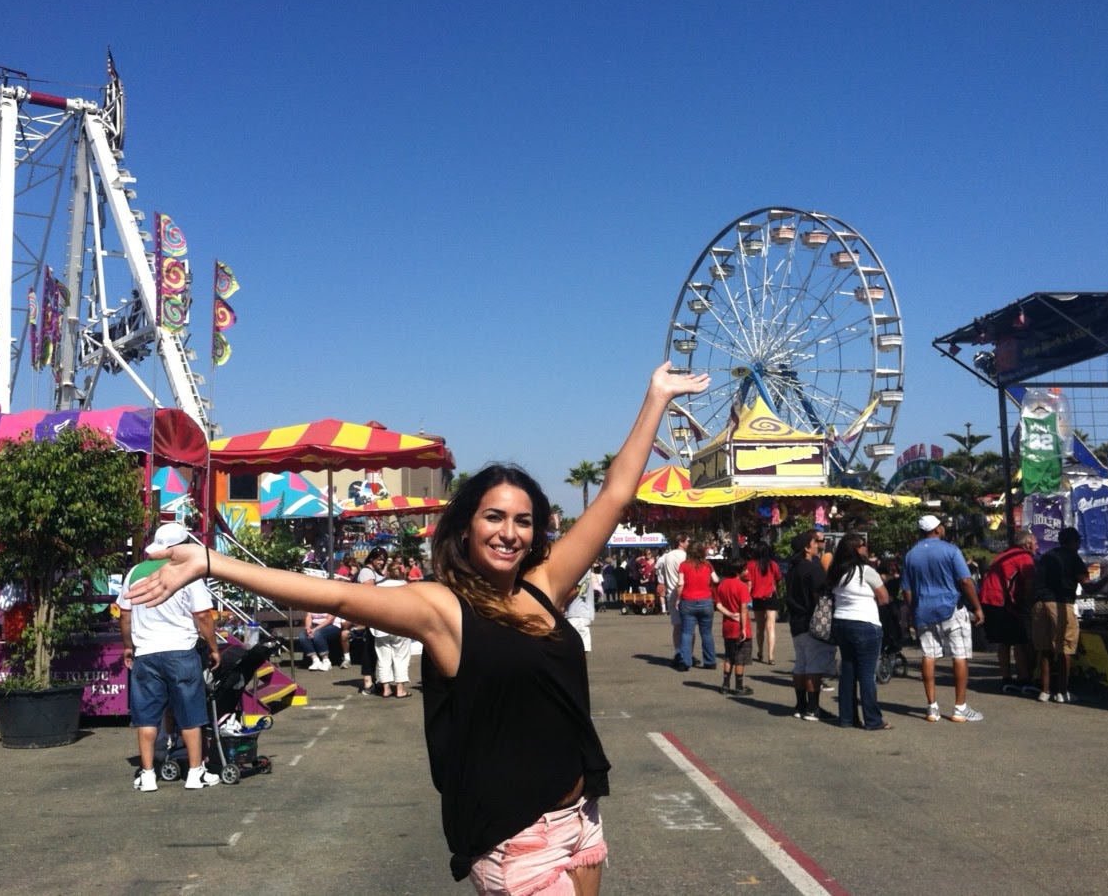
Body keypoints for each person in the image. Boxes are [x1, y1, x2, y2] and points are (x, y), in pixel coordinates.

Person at [127, 362, 709, 895]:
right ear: (465, 528)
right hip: (517, 834)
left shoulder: (545, 586)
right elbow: (334, 594)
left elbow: (615, 492)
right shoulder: (443, 608)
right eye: (494, 517)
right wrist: (210, 562)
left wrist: (655, 396)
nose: (510, 532)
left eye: (524, 521)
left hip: (581, 820)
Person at [116, 522, 221, 792]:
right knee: (190, 714)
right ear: (180, 547)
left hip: (146, 653)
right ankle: (196, 772)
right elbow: (203, 616)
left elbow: (125, 615)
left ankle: (148, 774)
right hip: (180, 652)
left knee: (147, 717)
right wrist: (213, 647)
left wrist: (128, 646)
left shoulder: (134, 572)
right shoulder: (188, 573)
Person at [902, 515, 984, 723]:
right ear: (937, 529)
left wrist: (913, 612)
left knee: (929, 655)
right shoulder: (951, 550)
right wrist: (977, 607)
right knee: (960, 655)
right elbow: (965, 581)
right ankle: (959, 708)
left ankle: (932, 708)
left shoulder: (911, 555)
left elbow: (907, 590)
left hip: (923, 610)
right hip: (951, 608)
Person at [827, 533, 892, 731]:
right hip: (865, 623)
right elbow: (884, 598)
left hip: (841, 622)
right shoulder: (866, 571)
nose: (866, 548)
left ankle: (847, 718)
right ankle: (872, 720)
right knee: (866, 674)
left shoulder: (836, 571)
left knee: (847, 670)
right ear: (857, 549)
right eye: (863, 545)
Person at [1029, 526, 1101, 704]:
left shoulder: (1047, 556)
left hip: (1039, 604)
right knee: (1064, 648)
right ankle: (1062, 691)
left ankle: (1044, 691)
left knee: (1044, 649)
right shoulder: (1074, 558)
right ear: (1075, 542)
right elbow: (1088, 586)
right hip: (1061, 603)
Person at [784, 529, 833, 721]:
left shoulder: (792, 569)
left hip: (796, 621)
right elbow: (819, 594)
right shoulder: (812, 568)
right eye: (814, 542)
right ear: (806, 547)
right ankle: (813, 708)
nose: (817, 546)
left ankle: (801, 705)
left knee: (801, 663)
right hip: (811, 620)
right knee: (813, 665)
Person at [980, 530, 1037, 693]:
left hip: (988, 599)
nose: (1037, 547)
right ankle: (1024, 678)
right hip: (1003, 601)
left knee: (1003, 642)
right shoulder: (1024, 557)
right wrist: (1032, 604)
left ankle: (1006, 677)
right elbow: (1030, 583)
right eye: (1035, 543)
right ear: (1027, 544)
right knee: (1019, 640)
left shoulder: (1003, 555)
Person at [674, 540, 717, 672]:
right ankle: (710, 662)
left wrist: (678, 598)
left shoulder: (684, 565)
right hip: (706, 601)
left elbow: (680, 583)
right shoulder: (707, 564)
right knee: (707, 633)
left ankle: (685, 662)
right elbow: (716, 580)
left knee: (687, 633)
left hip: (688, 601)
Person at [713, 558, 753, 696]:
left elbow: (718, 605)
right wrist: (743, 627)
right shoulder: (741, 586)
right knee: (740, 658)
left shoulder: (722, 585)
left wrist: (730, 614)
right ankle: (739, 686)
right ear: (739, 571)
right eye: (745, 569)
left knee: (728, 656)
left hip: (727, 625)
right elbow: (743, 608)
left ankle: (725, 684)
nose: (747, 571)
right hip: (740, 626)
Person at [351, 548, 388, 695]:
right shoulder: (367, 572)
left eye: (383, 559)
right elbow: (370, 593)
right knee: (370, 648)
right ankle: (368, 682)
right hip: (371, 615)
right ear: (371, 558)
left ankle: (372, 679)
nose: (381, 562)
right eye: (378, 559)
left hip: (375, 615)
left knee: (374, 648)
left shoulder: (375, 571)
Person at [373, 564, 412, 698]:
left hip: (381, 626)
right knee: (401, 657)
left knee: (383, 658)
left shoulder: (378, 586)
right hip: (401, 625)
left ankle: (386, 688)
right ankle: (400, 689)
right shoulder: (406, 586)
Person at [746, 542, 781, 664]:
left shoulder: (750, 565)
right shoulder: (773, 565)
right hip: (771, 597)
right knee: (771, 627)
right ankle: (771, 656)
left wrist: (746, 599)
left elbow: (748, 583)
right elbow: (778, 579)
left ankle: (760, 652)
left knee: (760, 628)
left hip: (757, 599)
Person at [656, 533, 689, 658]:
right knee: (688, 626)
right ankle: (687, 654)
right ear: (681, 542)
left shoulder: (666, 556)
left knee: (677, 625)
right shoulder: (685, 556)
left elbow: (657, 568)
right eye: (688, 541)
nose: (689, 544)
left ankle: (678, 652)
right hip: (684, 592)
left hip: (670, 592)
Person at [564, 568, 597, 655]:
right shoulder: (585, 568)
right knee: (580, 651)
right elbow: (581, 590)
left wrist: (561, 603)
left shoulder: (582, 568)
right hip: (579, 613)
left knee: (576, 651)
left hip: (576, 614)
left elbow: (576, 589)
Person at [298, 606, 341, 671]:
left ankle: (326, 661)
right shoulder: (312, 604)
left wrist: (315, 629)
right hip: (315, 626)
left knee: (318, 634)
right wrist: (308, 628)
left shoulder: (331, 604)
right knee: (303, 636)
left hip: (332, 625)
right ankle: (315, 660)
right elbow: (309, 617)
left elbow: (330, 620)